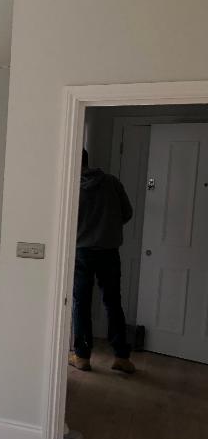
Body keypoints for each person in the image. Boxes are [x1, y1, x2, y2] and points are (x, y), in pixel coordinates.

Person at [70, 149, 135, 373]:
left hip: (81, 252)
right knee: (113, 302)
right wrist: (107, 226)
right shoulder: (112, 183)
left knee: (81, 303)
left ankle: (82, 356)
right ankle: (121, 357)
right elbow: (127, 213)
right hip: (109, 251)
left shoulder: (72, 187)